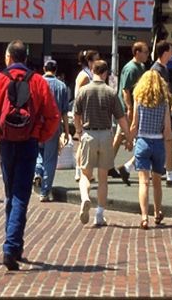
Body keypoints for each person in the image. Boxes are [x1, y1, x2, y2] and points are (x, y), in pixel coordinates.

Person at [0, 40, 59, 271]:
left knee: (10, 193)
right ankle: (12, 245)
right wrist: (40, 135)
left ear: (8, 57)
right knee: (20, 196)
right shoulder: (37, 81)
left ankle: (13, 245)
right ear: (25, 58)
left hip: (7, 142)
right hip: (28, 142)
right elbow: (52, 116)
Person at [74, 59, 132, 227]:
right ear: (106, 74)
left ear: (93, 71)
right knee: (103, 178)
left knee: (85, 174)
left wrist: (79, 131)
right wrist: (128, 136)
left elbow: (76, 115)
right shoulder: (110, 92)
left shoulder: (83, 91)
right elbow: (121, 118)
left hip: (88, 134)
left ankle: (85, 197)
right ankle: (99, 215)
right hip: (106, 135)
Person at [130, 69, 172, 229]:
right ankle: (157, 211)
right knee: (157, 182)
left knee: (143, 182)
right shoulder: (164, 103)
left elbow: (135, 124)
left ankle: (143, 217)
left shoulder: (138, 99)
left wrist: (128, 138)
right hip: (158, 143)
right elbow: (167, 129)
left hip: (142, 141)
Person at [33, 58, 71, 202]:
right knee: (50, 158)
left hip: (37, 125)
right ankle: (45, 192)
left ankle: (37, 170)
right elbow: (64, 112)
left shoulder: (36, 83)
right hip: (53, 126)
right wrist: (66, 132)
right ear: (55, 70)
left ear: (44, 69)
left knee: (37, 151)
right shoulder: (61, 86)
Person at [111, 41, 149, 186]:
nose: (147, 54)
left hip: (136, 107)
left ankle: (114, 165)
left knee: (121, 136)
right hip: (128, 108)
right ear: (137, 53)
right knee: (123, 135)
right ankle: (120, 166)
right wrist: (129, 108)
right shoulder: (130, 68)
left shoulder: (142, 67)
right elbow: (125, 90)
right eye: (145, 52)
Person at [149, 41, 172, 189]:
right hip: (160, 111)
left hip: (163, 109)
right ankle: (170, 175)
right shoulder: (156, 70)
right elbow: (156, 92)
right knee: (166, 141)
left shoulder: (162, 68)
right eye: (171, 51)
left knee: (162, 143)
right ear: (165, 52)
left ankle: (128, 167)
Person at [73, 49, 99, 182]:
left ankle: (84, 170)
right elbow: (79, 97)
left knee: (86, 144)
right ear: (89, 62)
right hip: (84, 114)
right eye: (95, 59)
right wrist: (80, 116)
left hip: (89, 113)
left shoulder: (90, 75)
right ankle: (79, 171)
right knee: (83, 144)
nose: (98, 62)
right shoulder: (84, 76)